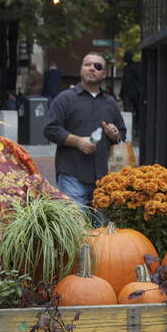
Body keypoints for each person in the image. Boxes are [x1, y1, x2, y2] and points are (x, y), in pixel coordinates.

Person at [44, 52, 126, 212]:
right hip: (72, 175)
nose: (92, 68)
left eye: (98, 66)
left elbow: (122, 134)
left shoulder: (110, 102)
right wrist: (78, 141)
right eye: (87, 64)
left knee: (102, 233)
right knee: (76, 232)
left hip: (104, 178)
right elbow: (49, 129)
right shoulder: (65, 98)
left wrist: (114, 135)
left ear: (104, 73)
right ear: (81, 69)